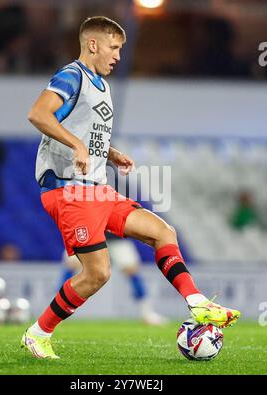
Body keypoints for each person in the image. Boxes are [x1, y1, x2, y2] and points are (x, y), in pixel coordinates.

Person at [21, 16, 240, 359]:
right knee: (97, 275)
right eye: (114, 47)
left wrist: (107, 153)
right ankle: (39, 333)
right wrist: (79, 148)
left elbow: (82, 132)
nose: (118, 56)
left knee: (163, 232)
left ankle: (198, 304)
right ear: (92, 44)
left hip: (96, 188)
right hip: (70, 190)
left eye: (120, 49)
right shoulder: (72, 76)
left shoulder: (102, 86)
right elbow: (38, 114)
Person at [59, 239, 167, 325]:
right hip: (89, 234)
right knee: (71, 265)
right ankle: (58, 310)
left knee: (132, 269)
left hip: (115, 235)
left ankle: (146, 313)